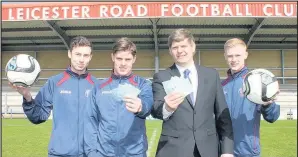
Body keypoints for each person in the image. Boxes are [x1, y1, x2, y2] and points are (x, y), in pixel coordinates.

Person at [150, 28, 234, 157]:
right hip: (174, 150)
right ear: (170, 51)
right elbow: (156, 110)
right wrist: (167, 107)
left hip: (208, 149)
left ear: (193, 47)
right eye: (175, 47)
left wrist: (227, 150)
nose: (180, 51)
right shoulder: (162, 76)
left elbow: (222, 115)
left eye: (183, 46)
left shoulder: (211, 75)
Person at [10, 36, 98, 157]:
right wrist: (27, 96)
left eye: (85, 55)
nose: (81, 59)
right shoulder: (54, 82)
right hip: (60, 153)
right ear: (69, 54)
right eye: (78, 54)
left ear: (91, 57)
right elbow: (38, 117)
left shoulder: (97, 85)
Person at [84, 37, 153, 157]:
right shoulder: (99, 88)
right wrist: (91, 153)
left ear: (134, 59)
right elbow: (90, 122)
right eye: (119, 58)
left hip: (134, 153)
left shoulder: (143, 84)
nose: (123, 63)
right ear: (112, 57)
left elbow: (148, 105)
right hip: (104, 153)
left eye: (128, 59)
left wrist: (141, 107)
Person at [221, 38, 280, 157]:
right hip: (225, 150)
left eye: (238, 55)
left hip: (247, 151)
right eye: (230, 56)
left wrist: (268, 105)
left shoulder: (256, 81)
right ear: (225, 56)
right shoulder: (222, 85)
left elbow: (272, 117)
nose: (234, 59)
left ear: (246, 54)